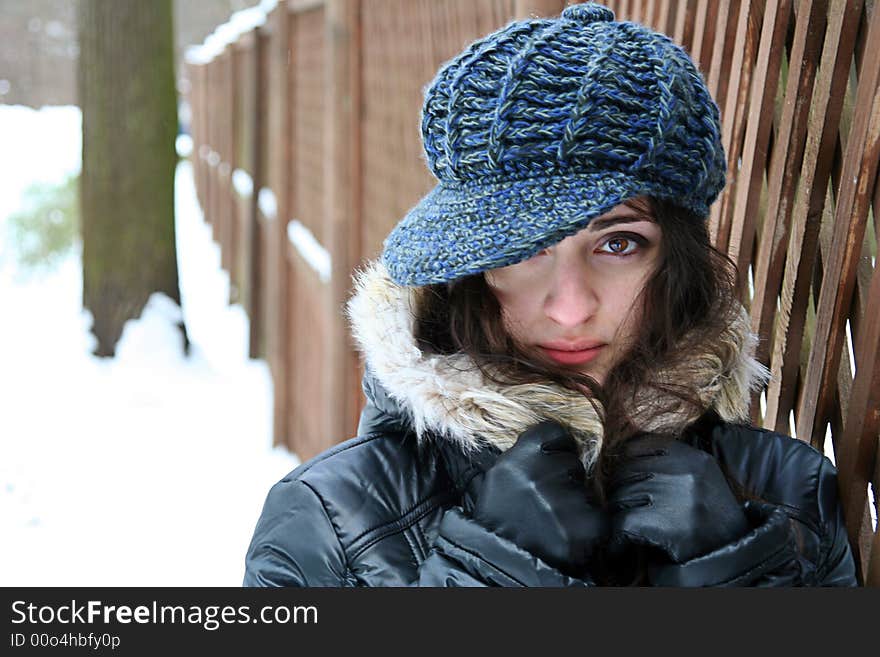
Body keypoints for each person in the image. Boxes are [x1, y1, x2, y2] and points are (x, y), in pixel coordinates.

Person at [243, 2, 857, 587]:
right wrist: (485, 581)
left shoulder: (788, 498)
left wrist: (738, 580)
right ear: (465, 270)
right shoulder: (330, 520)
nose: (570, 307)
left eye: (618, 244)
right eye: (522, 249)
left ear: (678, 261)